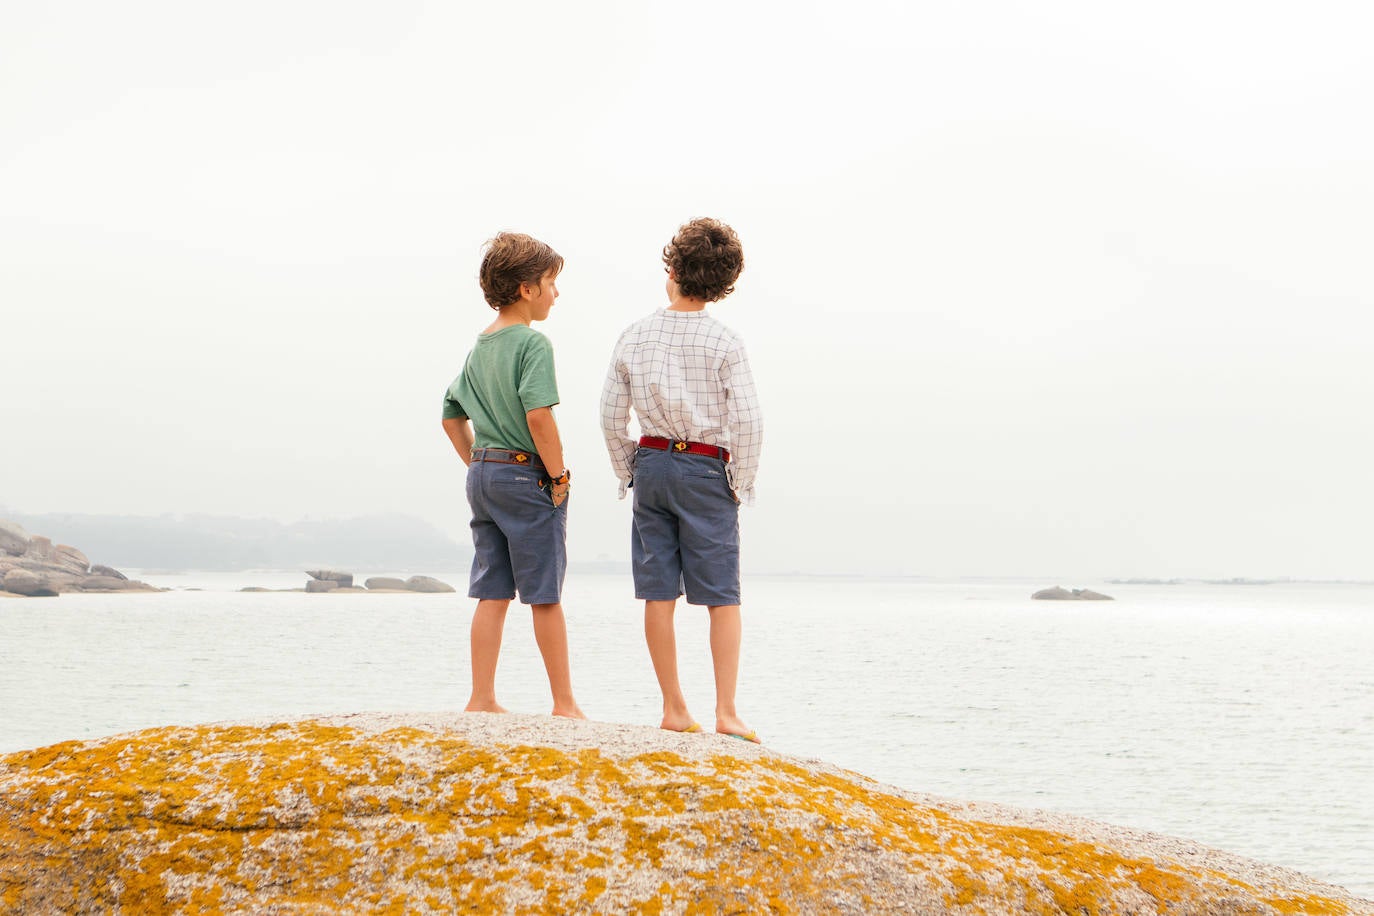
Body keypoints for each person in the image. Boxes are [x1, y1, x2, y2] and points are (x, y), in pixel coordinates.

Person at [600, 217, 762, 742]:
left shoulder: (635, 333)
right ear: (721, 284)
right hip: (706, 464)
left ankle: (673, 707)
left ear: (671, 270)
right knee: (722, 596)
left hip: (652, 462)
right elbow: (749, 421)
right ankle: (727, 712)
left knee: (658, 591)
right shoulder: (726, 342)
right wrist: (742, 479)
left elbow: (609, 415)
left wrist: (629, 468)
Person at [441, 232, 585, 719]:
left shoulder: (480, 345)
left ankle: (481, 697)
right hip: (526, 477)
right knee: (543, 592)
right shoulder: (532, 344)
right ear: (527, 288)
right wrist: (558, 475)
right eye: (551, 283)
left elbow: (450, 415)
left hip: (483, 475)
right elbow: (539, 417)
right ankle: (564, 704)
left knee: (492, 588)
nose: (556, 293)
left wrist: (478, 463)